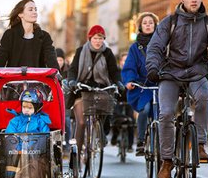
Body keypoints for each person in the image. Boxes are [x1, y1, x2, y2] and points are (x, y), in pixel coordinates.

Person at [146, 0, 208, 178]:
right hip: (170, 74)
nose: (194, 0)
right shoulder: (170, 22)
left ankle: (200, 144)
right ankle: (167, 161)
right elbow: (155, 47)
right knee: (166, 113)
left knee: (203, 98)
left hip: (196, 72)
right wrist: (153, 68)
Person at [67, 24, 124, 157]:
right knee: (81, 122)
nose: (98, 41)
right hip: (81, 89)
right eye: (95, 38)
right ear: (90, 38)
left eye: (100, 38)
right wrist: (72, 81)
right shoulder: (81, 51)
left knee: (107, 108)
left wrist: (118, 82)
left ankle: (100, 132)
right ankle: (75, 158)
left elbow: (114, 71)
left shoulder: (107, 52)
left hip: (100, 88)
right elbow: (73, 69)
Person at [122, 12, 160, 156]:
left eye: (151, 22)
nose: (148, 25)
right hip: (143, 86)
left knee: (165, 113)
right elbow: (130, 66)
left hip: (160, 84)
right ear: (140, 26)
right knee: (145, 109)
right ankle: (141, 141)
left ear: (155, 25)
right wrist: (130, 80)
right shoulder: (135, 47)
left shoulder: (163, 43)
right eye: (145, 23)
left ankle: (166, 143)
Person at [0, 0, 59, 69]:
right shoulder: (9, 35)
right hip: (13, 79)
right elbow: (1, 58)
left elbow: (51, 59)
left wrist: (57, 73)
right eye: (30, 10)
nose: (35, 12)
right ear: (20, 14)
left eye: (35, 9)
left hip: (38, 79)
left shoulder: (44, 36)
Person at [56, 48, 72, 153]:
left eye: (61, 60)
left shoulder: (69, 71)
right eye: (57, 60)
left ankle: (67, 144)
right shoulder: (51, 71)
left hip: (66, 102)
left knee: (66, 121)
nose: (59, 62)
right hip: (55, 103)